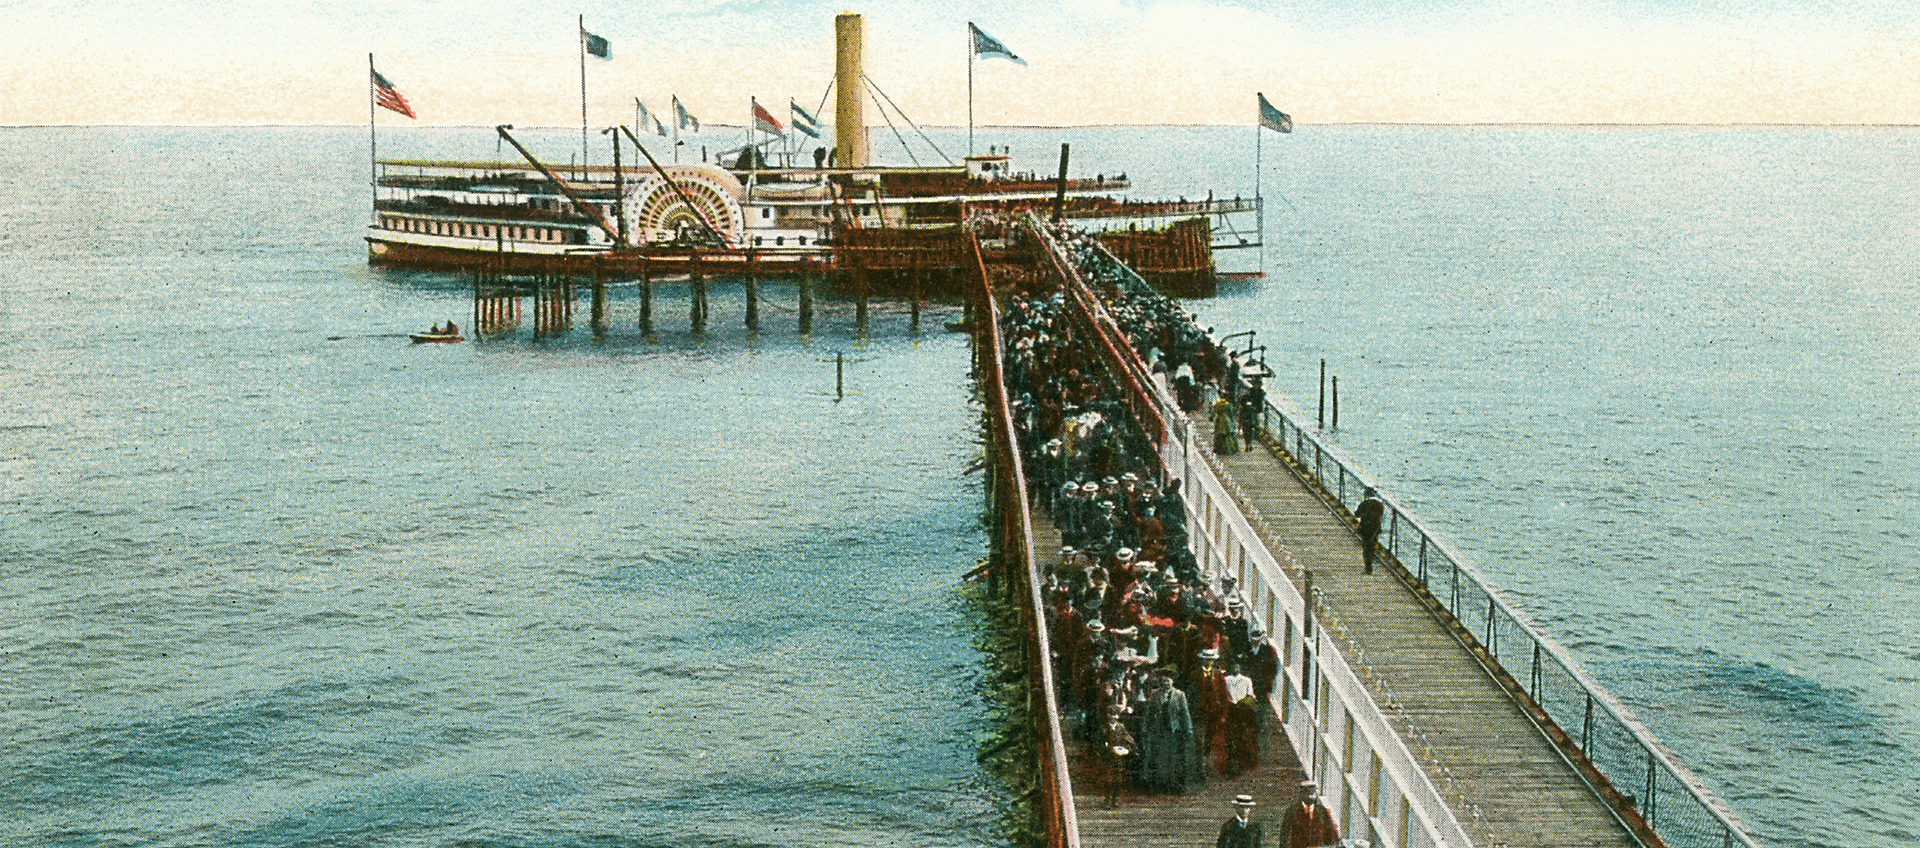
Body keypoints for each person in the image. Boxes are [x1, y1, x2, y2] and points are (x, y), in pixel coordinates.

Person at [1282, 782, 1340, 848]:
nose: (1310, 796)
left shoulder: (1322, 811)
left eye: (1312, 792)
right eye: (1306, 792)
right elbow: (1285, 836)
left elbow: (1330, 835)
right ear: (1301, 794)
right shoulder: (1292, 811)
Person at [1355, 488, 1385, 574]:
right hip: (1375, 528)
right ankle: (1370, 563)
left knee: (1366, 546)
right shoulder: (1380, 505)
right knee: (1372, 544)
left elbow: (1357, 514)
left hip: (1365, 527)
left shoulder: (1365, 503)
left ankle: (1368, 566)